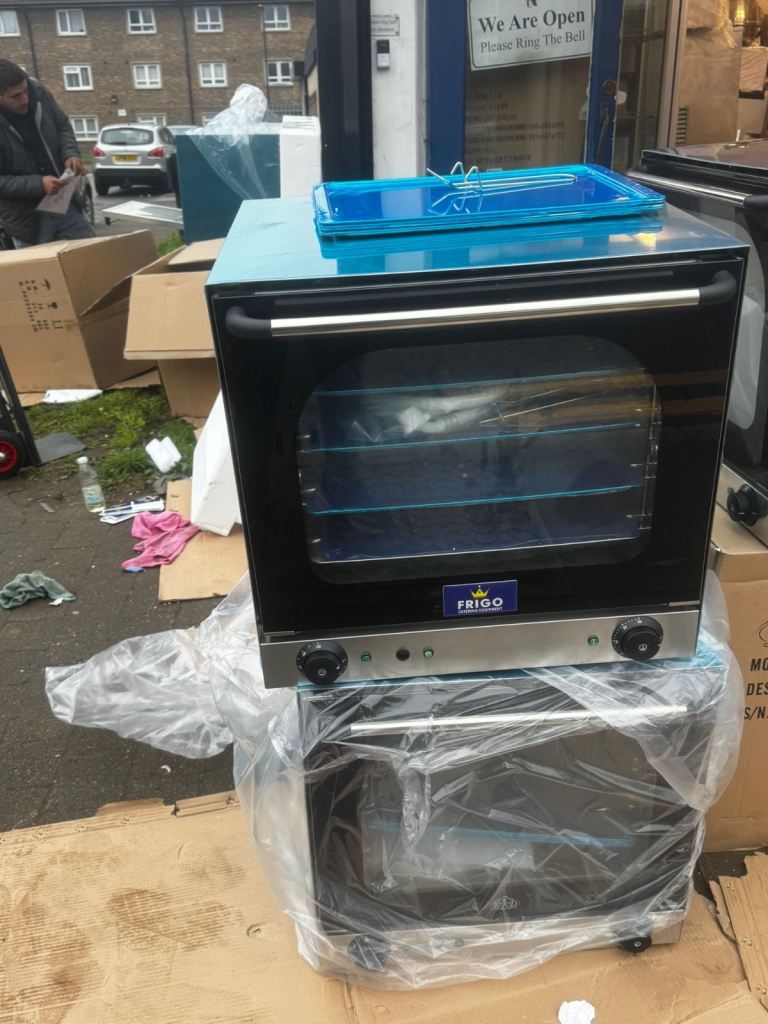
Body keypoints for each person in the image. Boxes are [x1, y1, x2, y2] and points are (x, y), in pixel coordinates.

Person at [0, 59, 94, 246]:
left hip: (64, 202)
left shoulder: (38, 90)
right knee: (42, 264)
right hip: (26, 219)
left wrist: (70, 153)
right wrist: (38, 184)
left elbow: (62, 125)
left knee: (92, 254)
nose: (25, 100)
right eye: (15, 96)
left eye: (25, 90)